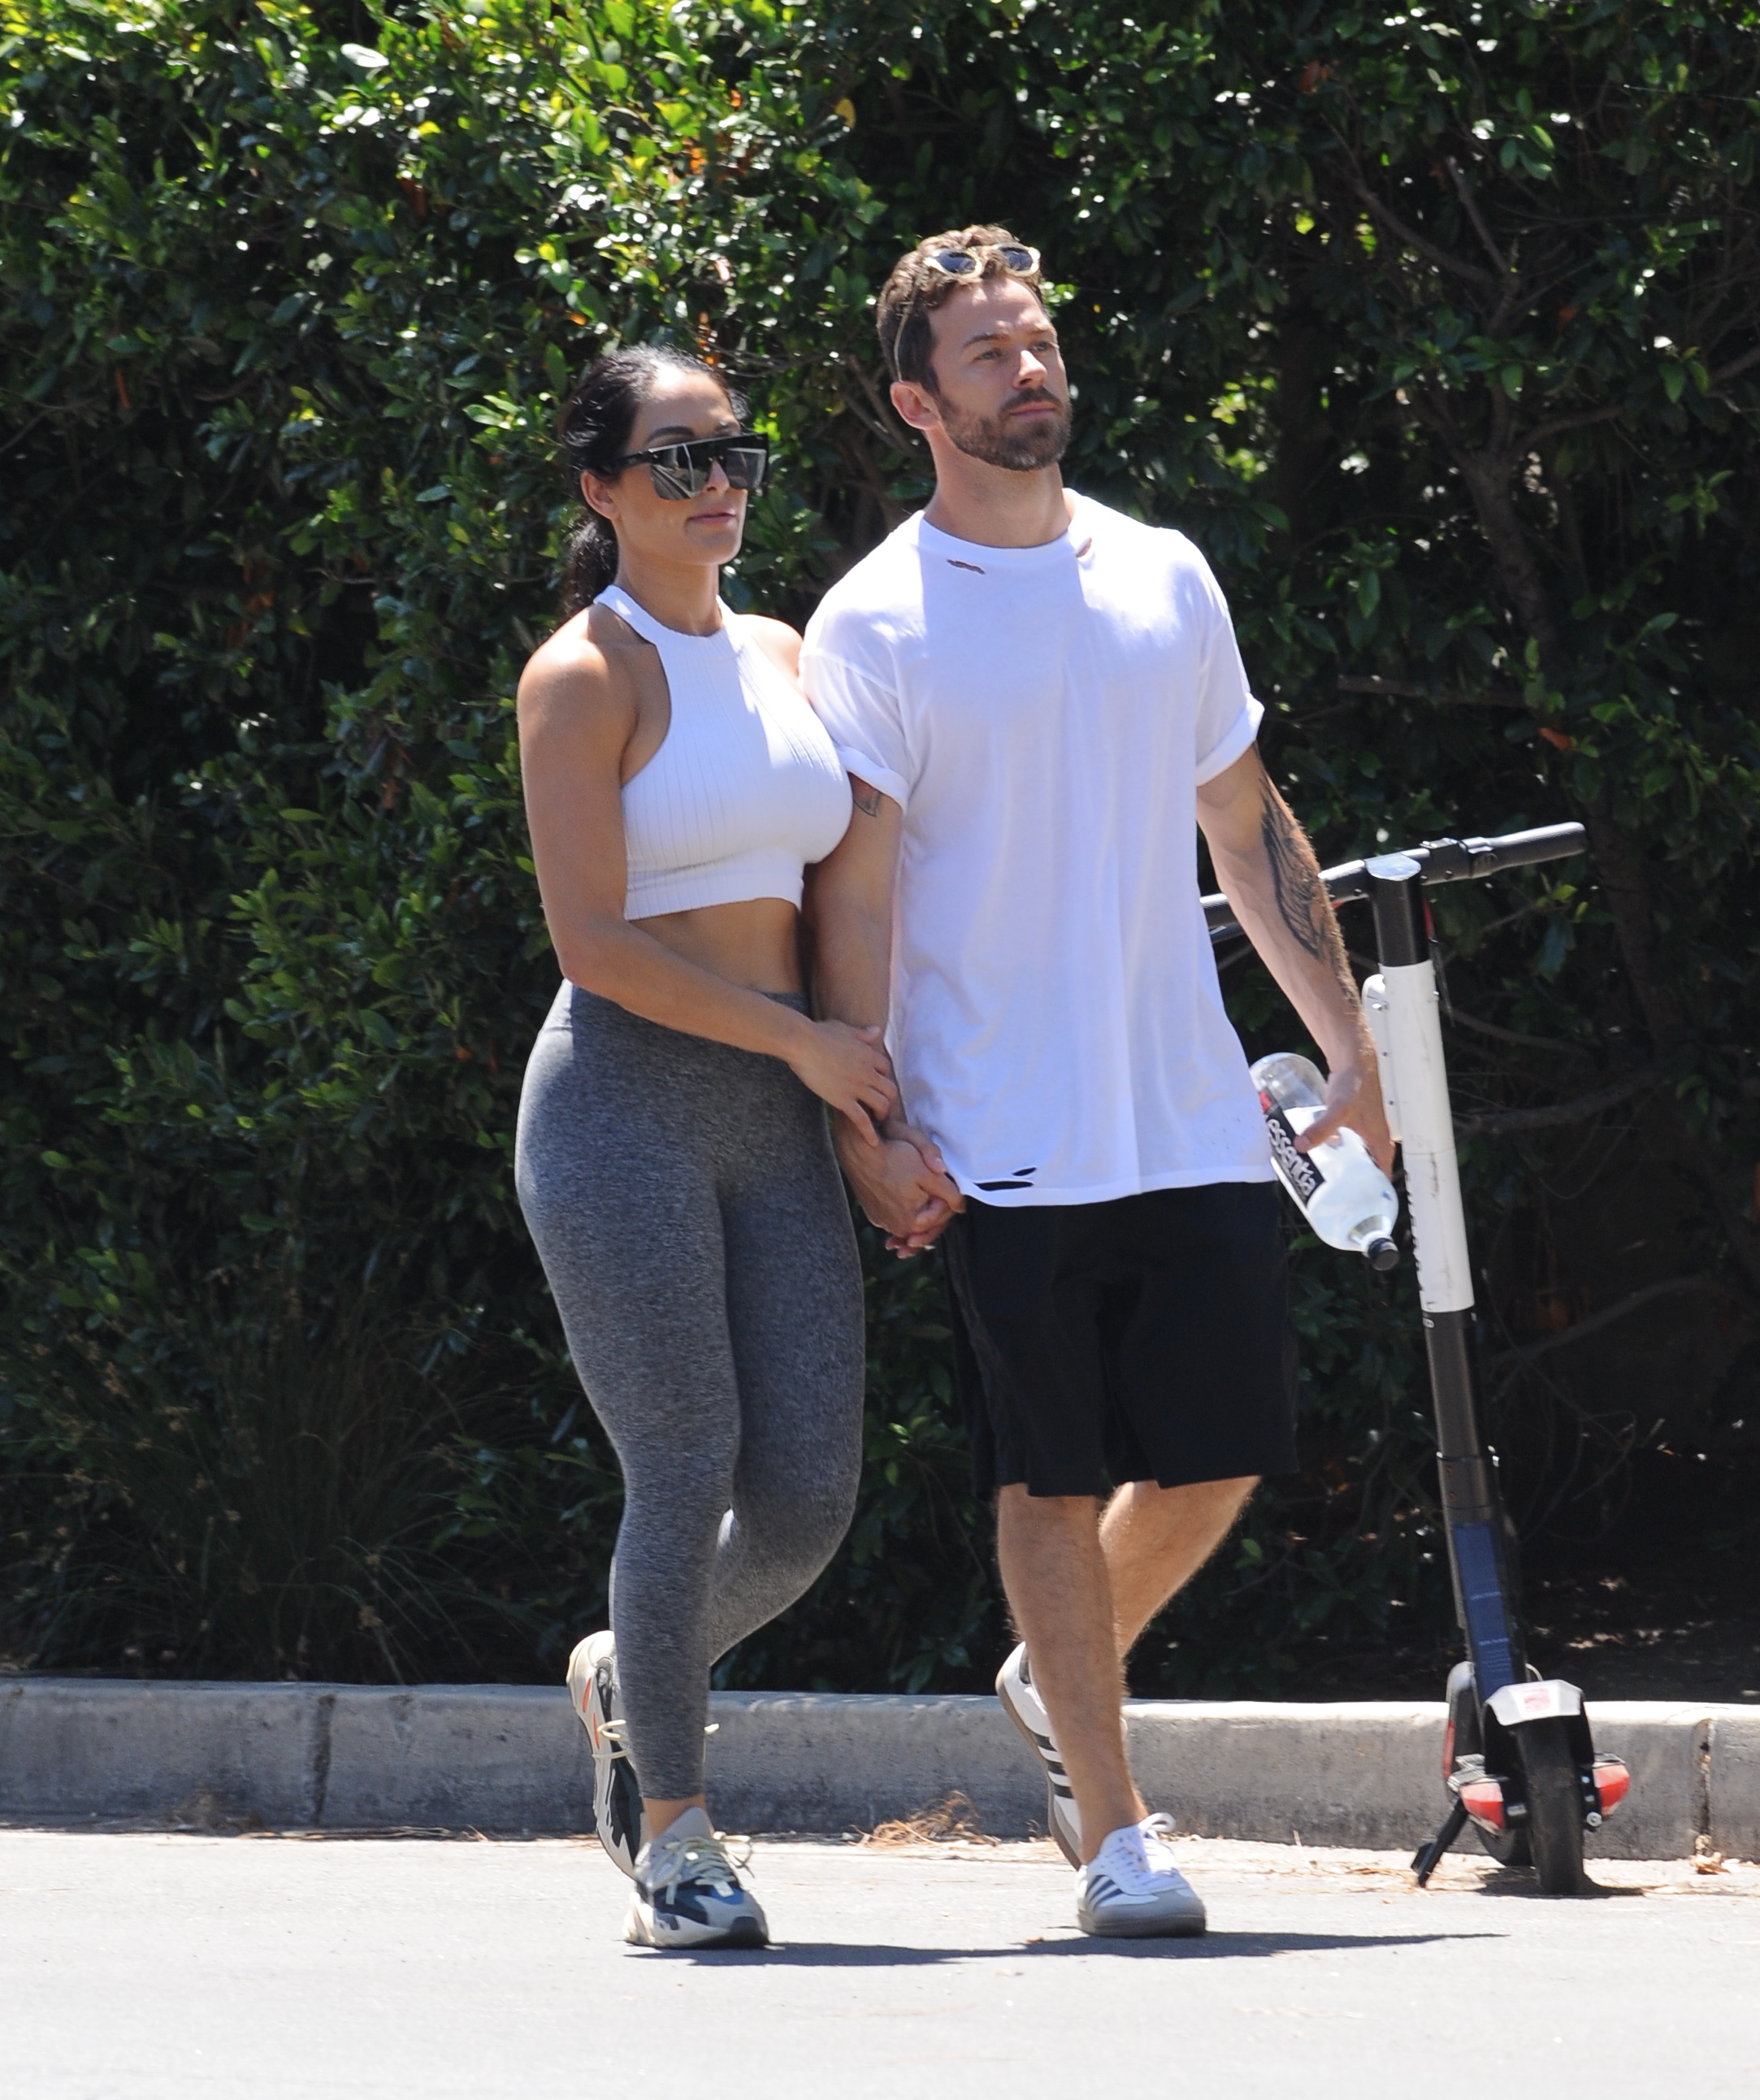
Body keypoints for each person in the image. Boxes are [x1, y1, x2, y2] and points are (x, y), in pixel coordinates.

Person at [803, 228, 1393, 1939]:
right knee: (1044, 1476)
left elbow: (1246, 819)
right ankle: (1116, 1830)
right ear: (919, 399)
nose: (1030, 367)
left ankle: (1050, 1684)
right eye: (987, 353)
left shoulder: (1163, 573)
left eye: (1040, 337)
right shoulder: (877, 619)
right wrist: (873, 1126)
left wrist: (1347, 1047)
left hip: (1187, 1105)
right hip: (996, 1125)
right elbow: (856, 892)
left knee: (1217, 1456)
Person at [514, 345, 889, 1950]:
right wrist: (804, 1044)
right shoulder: (581, 676)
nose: (716, 481)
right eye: (676, 458)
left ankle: (625, 1665)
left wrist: (867, 1101)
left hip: (777, 1114)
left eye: (731, 452)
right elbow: (595, 939)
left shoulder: (786, 650)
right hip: (620, 1108)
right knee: (681, 1466)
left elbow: (843, 893)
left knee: (803, 1497)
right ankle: (674, 1831)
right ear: (602, 488)